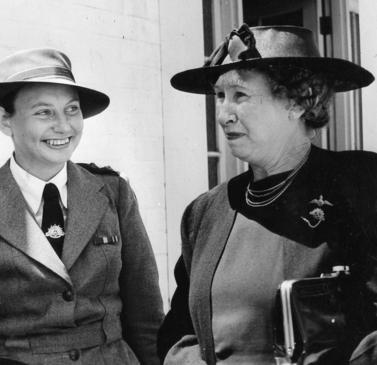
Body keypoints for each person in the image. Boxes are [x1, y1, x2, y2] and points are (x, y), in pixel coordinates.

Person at [0, 48, 164, 365]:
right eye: (44, 113)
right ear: (4, 119)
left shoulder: (113, 193)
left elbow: (146, 319)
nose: (64, 126)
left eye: (72, 110)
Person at [158, 24, 377, 365]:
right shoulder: (206, 212)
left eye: (240, 96)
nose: (223, 114)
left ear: (298, 101)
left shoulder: (362, 185)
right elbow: (179, 331)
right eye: (220, 96)